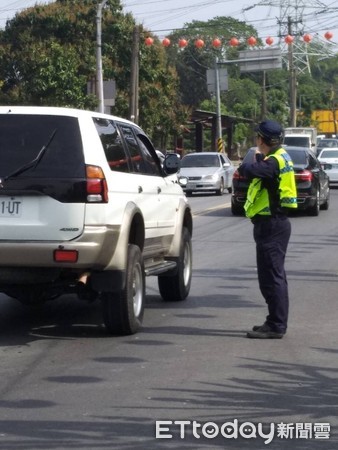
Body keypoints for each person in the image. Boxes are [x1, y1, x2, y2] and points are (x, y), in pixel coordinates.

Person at [238, 120, 297, 339]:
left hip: (272, 225)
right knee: (271, 276)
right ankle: (273, 321)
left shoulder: (273, 162)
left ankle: (277, 325)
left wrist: (249, 161)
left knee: (272, 277)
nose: (256, 140)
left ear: (262, 139)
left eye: (257, 137)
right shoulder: (280, 157)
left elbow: (249, 170)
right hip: (273, 224)